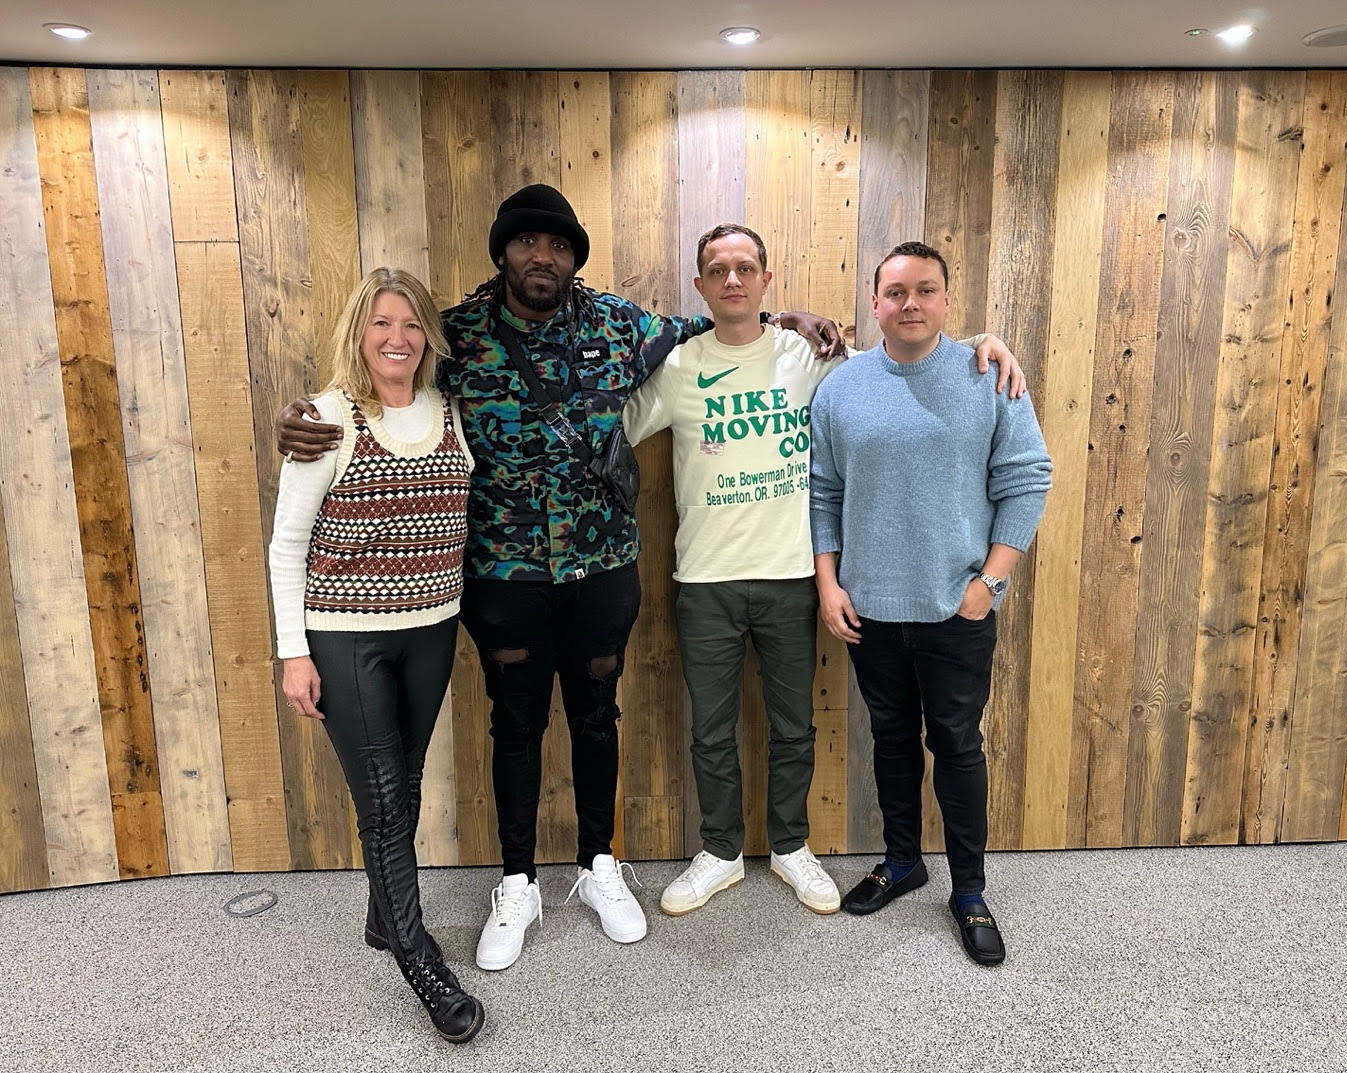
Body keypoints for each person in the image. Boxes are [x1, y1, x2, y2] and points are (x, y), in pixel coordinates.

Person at [276, 185, 841, 972]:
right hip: (502, 574)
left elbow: (717, 322)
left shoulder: (618, 323)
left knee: (597, 715)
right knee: (514, 724)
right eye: (527, 242)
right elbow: (386, 378)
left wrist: (791, 317)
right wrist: (305, 417)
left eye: (558, 245)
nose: (542, 256)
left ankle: (598, 863)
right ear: (502, 252)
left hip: (601, 566)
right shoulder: (455, 335)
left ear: (574, 258)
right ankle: (516, 881)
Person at [623, 225, 1026, 918]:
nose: (732, 280)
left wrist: (986, 342)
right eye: (717, 270)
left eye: (745, 267)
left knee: (795, 726)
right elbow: (619, 423)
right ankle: (719, 851)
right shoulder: (683, 365)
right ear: (700, 286)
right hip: (705, 576)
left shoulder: (811, 358)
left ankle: (790, 846)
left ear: (766, 278)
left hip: (792, 577)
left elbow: (904, 356)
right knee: (711, 730)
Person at [809, 241, 1052, 967]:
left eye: (925, 289)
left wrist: (990, 583)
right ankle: (901, 861)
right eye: (895, 291)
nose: (909, 303)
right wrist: (828, 583)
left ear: (946, 300)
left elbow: (1027, 478)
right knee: (889, 739)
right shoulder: (840, 390)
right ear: (874, 303)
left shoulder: (987, 374)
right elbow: (823, 492)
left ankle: (969, 890)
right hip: (871, 609)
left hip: (957, 608)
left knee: (956, 744)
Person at [268, 268, 483, 1042]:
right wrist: (294, 653)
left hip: (432, 629)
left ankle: (379, 918)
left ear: (429, 336)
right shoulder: (327, 419)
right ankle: (420, 962)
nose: (398, 338)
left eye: (412, 324)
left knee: (404, 784)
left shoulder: (451, 409)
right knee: (386, 803)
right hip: (346, 634)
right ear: (359, 333)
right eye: (382, 324)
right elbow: (287, 544)